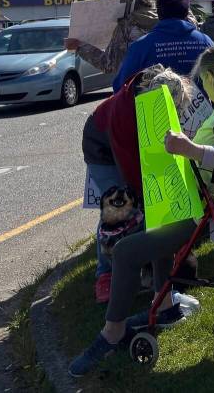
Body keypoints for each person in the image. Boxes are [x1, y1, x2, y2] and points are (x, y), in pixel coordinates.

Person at [69, 46, 214, 377]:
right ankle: (165, 305)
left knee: (126, 251)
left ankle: (112, 334)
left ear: (209, 77)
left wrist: (191, 150)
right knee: (154, 227)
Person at [83, 65, 193, 302]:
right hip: (100, 145)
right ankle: (106, 275)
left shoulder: (162, 94)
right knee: (119, 205)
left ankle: (150, 267)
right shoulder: (124, 116)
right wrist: (149, 198)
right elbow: (132, 171)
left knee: (149, 204)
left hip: (126, 137)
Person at [112, 0, 214, 91]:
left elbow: (120, 87)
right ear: (187, 13)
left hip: (154, 106)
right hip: (204, 106)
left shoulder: (140, 47)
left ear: (159, 13)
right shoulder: (205, 42)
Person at [65, 0, 158, 73]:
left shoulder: (126, 25)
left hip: (136, 85)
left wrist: (80, 46)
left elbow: (108, 64)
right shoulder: (165, 20)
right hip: (165, 84)